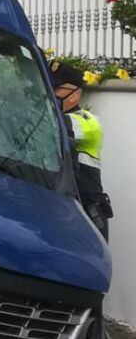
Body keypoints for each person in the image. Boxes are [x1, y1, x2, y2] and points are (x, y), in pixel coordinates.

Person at [49, 60, 112, 239]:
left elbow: (56, 127)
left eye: (56, 89)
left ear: (75, 95)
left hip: (88, 212)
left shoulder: (88, 121)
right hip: (65, 207)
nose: (50, 94)